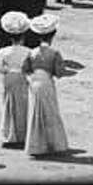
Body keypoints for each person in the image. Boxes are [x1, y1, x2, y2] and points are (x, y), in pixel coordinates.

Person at [24, 14, 70, 156]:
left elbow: (25, 70)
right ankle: (55, 144)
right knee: (51, 112)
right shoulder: (54, 53)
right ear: (52, 36)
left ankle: (35, 145)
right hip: (47, 82)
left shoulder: (32, 52)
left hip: (34, 82)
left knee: (35, 112)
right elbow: (60, 73)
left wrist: (31, 78)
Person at [0, 12, 32, 147]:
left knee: (9, 105)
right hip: (22, 78)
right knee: (23, 105)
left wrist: (8, 71)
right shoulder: (28, 51)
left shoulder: (3, 51)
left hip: (9, 78)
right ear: (23, 37)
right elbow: (31, 68)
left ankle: (8, 135)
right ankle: (22, 135)